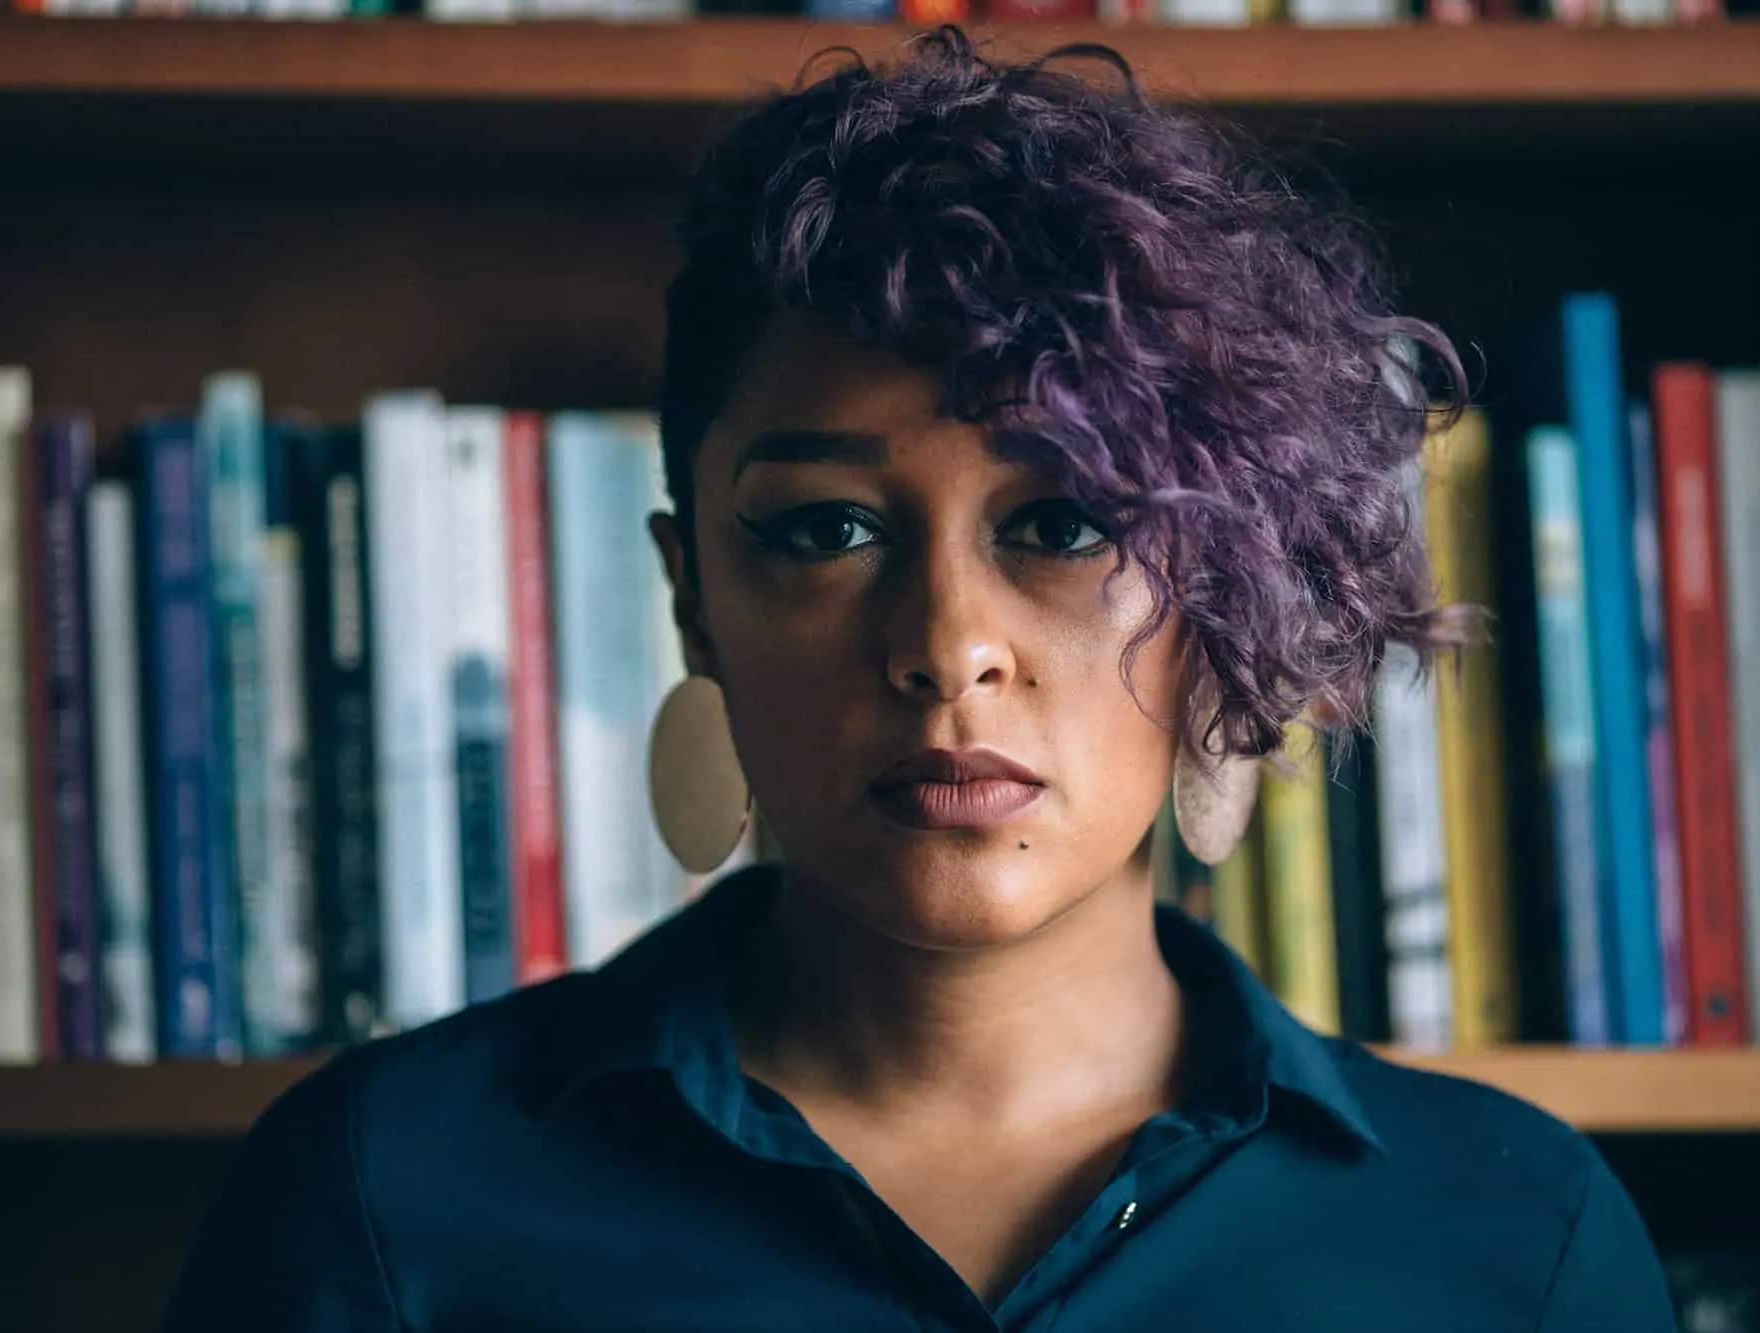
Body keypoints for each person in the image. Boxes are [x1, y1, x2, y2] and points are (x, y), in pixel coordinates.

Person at [161, 27, 1677, 1332]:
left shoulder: (1514, 1242)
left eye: (1065, 524)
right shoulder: (379, 1200)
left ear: (1224, 582)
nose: (950, 645)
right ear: (693, 597)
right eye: (827, 530)